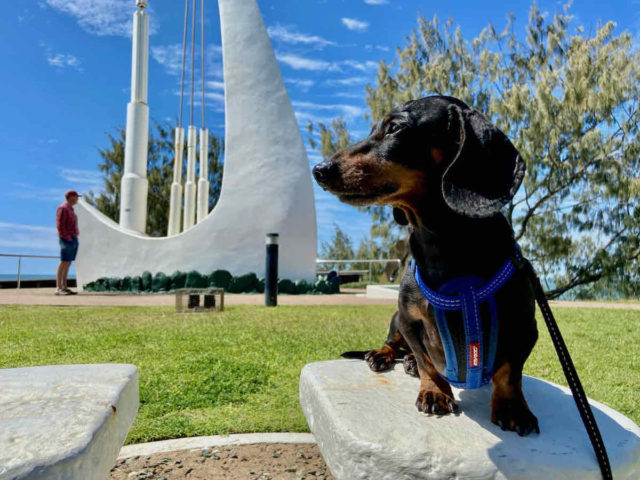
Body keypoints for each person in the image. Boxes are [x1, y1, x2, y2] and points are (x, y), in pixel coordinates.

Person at [56, 190, 81, 295]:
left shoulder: (71, 209)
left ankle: (65, 286)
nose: (77, 199)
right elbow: (60, 225)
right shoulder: (63, 208)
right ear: (71, 197)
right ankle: (59, 287)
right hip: (67, 239)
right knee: (63, 262)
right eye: (76, 197)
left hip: (73, 238)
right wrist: (67, 237)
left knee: (68, 262)